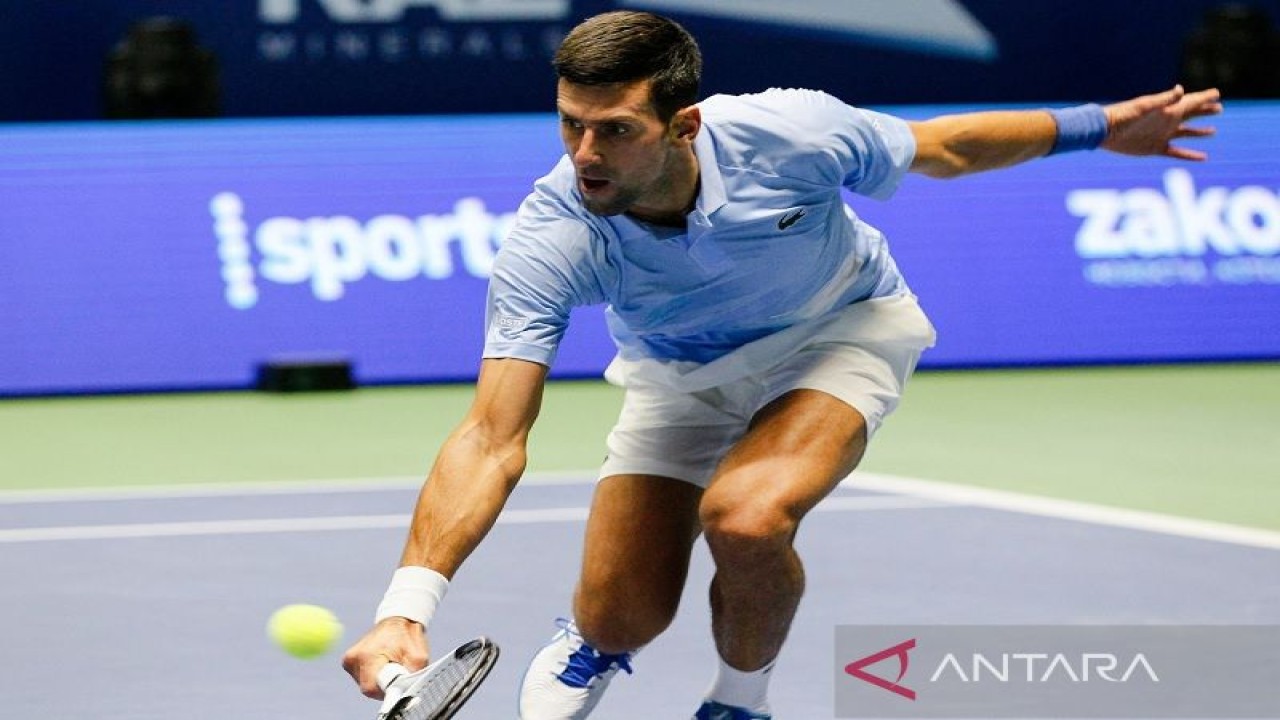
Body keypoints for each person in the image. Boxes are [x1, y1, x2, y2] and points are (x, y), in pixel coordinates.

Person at [342, 10, 1222, 720]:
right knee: (622, 613)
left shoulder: (789, 132)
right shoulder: (551, 234)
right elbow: (493, 435)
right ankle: (595, 641)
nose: (585, 156)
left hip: (838, 332)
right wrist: (405, 608)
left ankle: (740, 702)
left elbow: (946, 147)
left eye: (613, 131)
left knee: (748, 517)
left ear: (683, 124)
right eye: (571, 126)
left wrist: (1102, 127)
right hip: (677, 377)